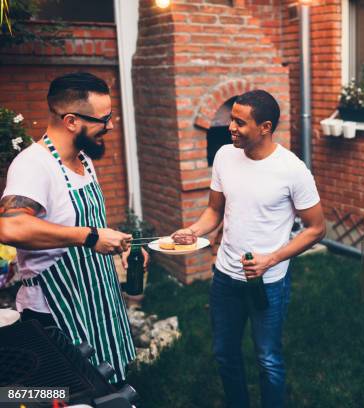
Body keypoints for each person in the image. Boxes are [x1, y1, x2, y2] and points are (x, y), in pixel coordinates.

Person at [172, 90, 326, 407]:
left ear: (265, 127)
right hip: (225, 277)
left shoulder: (292, 170)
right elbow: (214, 211)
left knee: (267, 357)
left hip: (267, 282)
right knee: (224, 353)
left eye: (240, 122)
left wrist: (271, 260)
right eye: (231, 119)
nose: (231, 127)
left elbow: (316, 228)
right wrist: (193, 230)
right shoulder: (225, 156)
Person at [0, 72, 139, 383]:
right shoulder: (34, 165)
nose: (111, 125)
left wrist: (120, 244)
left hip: (94, 295)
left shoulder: (82, 160)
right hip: (55, 308)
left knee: (105, 387)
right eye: (104, 119)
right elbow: (9, 228)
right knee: (68, 392)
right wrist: (88, 237)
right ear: (72, 121)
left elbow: (84, 223)